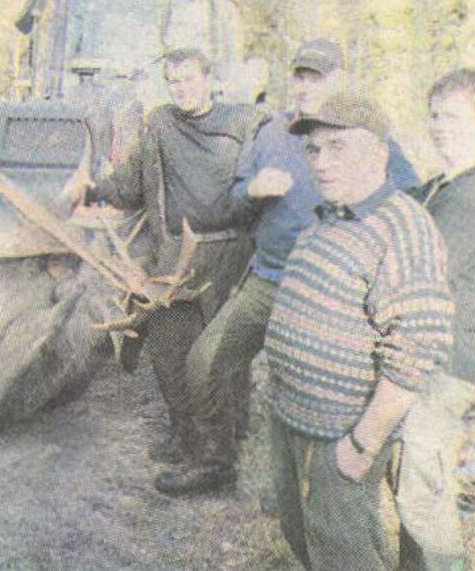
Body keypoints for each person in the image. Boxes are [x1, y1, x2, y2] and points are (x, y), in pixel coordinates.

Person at [163, 39, 421, 496]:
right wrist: (254, 190)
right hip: (267, 278)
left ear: (341, 79)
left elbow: (408, 198)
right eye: (300, 76)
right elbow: (234, 199)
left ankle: (304, 489)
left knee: (304, 388)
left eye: (316, 77)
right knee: (205, 362)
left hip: (330, 292)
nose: (304, 85)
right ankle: (217, 462)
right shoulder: (271, 133)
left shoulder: (362, 134)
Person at [62, 47, 266, 493]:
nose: (182, 89)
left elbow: (268, 178)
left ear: (209, 78)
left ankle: (215, 457)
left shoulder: (245, 123)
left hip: (229, 252)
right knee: (169, 350)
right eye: (173, 82)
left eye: (189, 79)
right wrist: (94, 191)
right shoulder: (160, 124)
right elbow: (131, 183)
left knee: (218, 357)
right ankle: (185, 433)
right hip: (174, 255)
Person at [266, 92, 452, 570]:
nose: (321, 162)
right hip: (294, 421)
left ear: (379, 153)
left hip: (341, 437)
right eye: (313, 149)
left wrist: (360, 446)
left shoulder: (403, 227)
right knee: (308, 539)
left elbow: (413, 357)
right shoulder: (332, 217)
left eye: (337, 146)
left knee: (346, 555)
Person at [395, 69, 475, 570]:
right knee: (409, 484)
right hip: (418, 357)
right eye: (434, 114)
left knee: (423, 492)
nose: (440, 126)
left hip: (442, 363)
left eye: (454, 117)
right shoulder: (440, 186)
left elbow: (421, 273)